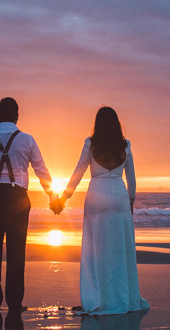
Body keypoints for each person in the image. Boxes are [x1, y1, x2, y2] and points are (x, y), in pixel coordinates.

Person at [51, 106, 149, 315]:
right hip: (119, 199)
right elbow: (131, 179)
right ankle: (123, 298)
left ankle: (96, 298)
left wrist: (63, 198)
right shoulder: (125, 145)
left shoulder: (91, 144)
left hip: (96, 197)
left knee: (95, 250)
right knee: (120, 250)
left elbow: (78, 172)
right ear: (116, 124)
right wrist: (130, 202)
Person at [0, 97, 56, 311]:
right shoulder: (27, 140)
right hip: (18, 199)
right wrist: (53, 197)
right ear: (17, 117)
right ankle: (15, 302)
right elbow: (41, 171)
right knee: (17, 252)